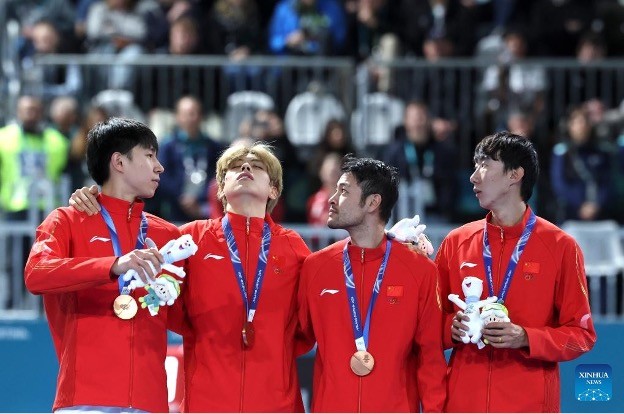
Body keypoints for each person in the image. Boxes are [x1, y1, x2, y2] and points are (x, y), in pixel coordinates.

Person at [68, 141, 312, 412]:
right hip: (206, 401)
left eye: (257, 167)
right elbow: (168, 307)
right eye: (235, 167)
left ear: (273, 189)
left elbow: (307, 327)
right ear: (221, 188)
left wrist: (273, 347)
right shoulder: (191, 238)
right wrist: (96, 201)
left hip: (276, 402)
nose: (245, 168)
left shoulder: (293, 247)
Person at [24, 117, 183, 412]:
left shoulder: (168, 235)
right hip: (85, 398)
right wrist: (113, 265)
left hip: (150, 401)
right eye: (149, 156)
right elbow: (36, 274)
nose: (160, 167)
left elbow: (187, 314)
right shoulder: (68, 220)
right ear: (119, 162)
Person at [436, 131, 597, 412]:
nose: (473, 177)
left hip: (529, 403)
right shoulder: (456, 242)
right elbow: (424, 323)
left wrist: (525, 337)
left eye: (485, 165)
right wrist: (451, 327)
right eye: (475, 166)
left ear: (515, 174)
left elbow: (582, 336)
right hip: (463, 401)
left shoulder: (560, 246)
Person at [297, 155, 447, 412]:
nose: (332, 199)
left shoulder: (419, 271)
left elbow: (431, 358)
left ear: (372, 202)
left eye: (344, 191)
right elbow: (292, 339)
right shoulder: (315, 267)